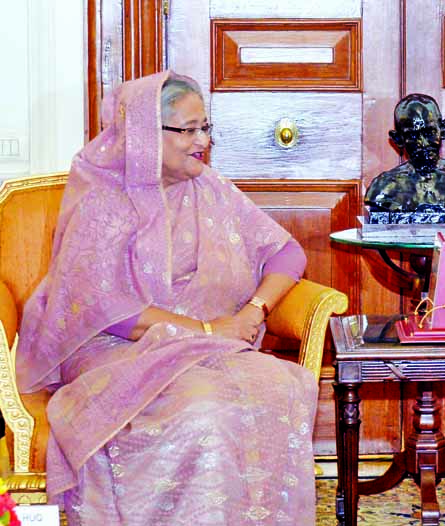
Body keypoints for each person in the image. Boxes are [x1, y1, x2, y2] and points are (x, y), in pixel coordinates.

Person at [15, 71, 318, 525]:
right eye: (188, 129)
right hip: (118, 350)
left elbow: (286, 252)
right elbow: (106, 308)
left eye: (205, 128)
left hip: (210, 345)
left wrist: (254, 310)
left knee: (283, 386)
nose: (202, 141)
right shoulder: (105, 200)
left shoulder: (210, 188)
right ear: (144, 132)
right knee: (204, 410)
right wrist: (212, 330)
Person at [364, 93, 445, 213]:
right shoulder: (384, 187)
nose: (423, 143)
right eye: (413, 136)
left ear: (443, 130)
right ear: (398, 139)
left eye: (429, 133)